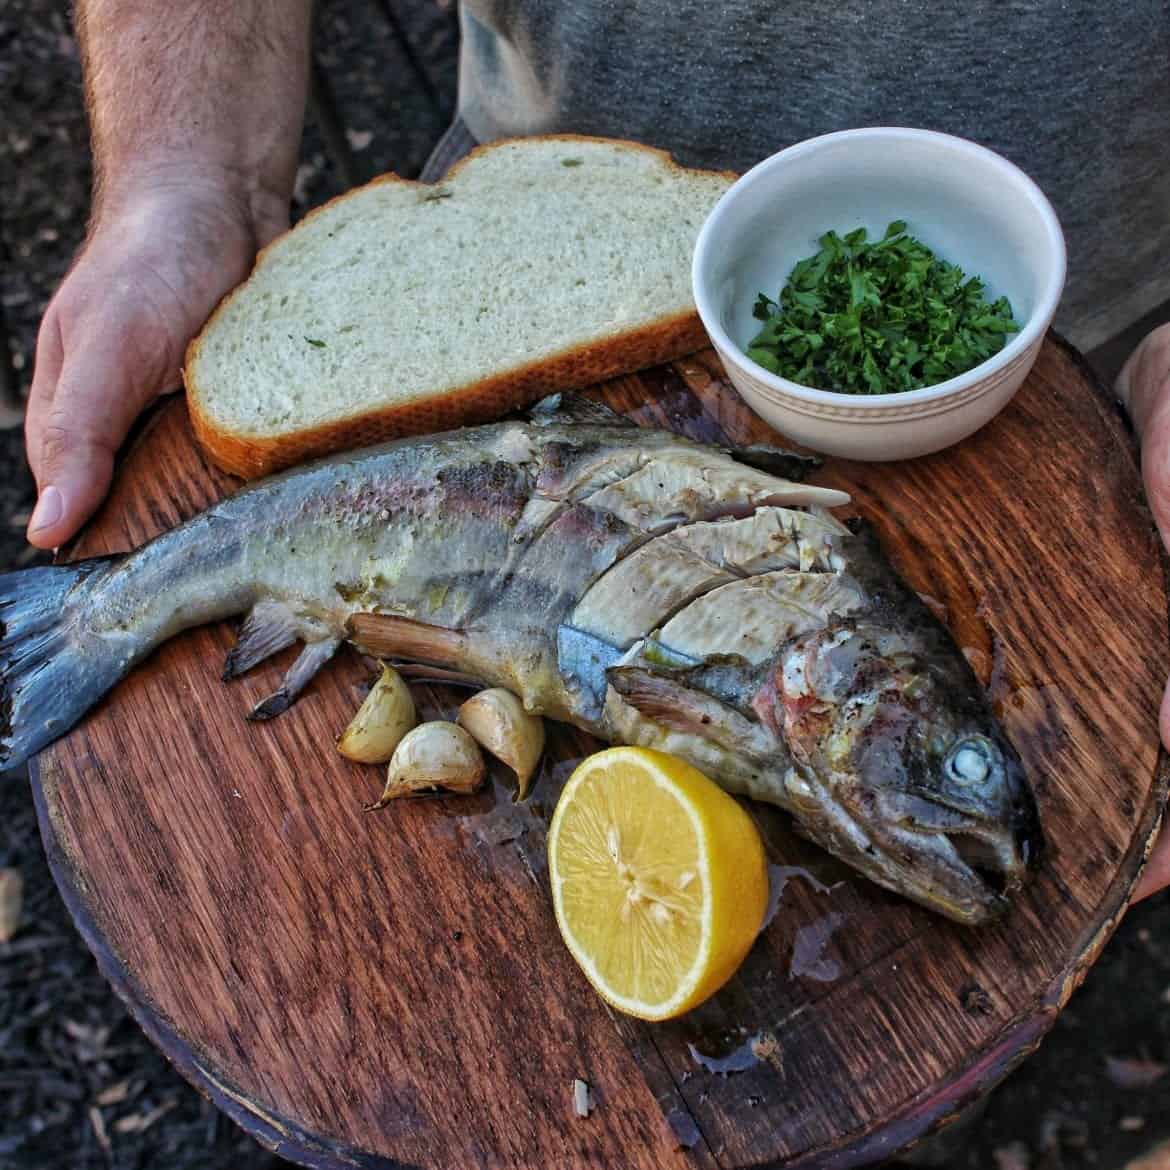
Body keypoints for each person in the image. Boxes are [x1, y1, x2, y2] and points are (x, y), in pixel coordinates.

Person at [24, 1, 1170, 894]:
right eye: (956, 764)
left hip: (1118, 333)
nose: (959, 795)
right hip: (491, 239)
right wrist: (184, 175)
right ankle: (101, 611)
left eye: (959, 772)